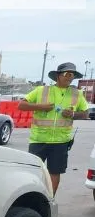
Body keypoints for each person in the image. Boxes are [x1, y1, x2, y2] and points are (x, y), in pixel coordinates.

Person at [18, 62, 90, 193]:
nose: (70, 77)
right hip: (38, 140)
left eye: (72, 75)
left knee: (55, 172)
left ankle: (49, 200)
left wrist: (73, 114)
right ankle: (31, 198)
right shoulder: (42, 90)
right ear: (58, 75)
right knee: (33, 171)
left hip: (60, 142)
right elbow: (21, 105)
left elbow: (85, 114)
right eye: (67, 74)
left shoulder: (77, 94)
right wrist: (41, 107)